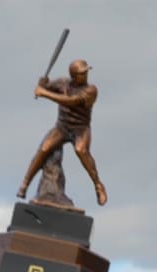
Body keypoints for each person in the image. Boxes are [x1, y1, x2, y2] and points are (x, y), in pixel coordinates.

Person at [19, 59, 107, 207]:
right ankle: (25, 184)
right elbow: (47, 86)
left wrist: (44, 93)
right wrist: (43, 83)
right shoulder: (62, 83)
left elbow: (70, 101)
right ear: (73, 76)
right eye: (81, 74)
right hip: (62, 127)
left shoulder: (91, 90)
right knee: (44, 148)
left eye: (86, 72)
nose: (85, 75)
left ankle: (98, 185)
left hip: (80, 129)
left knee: (81, 150)